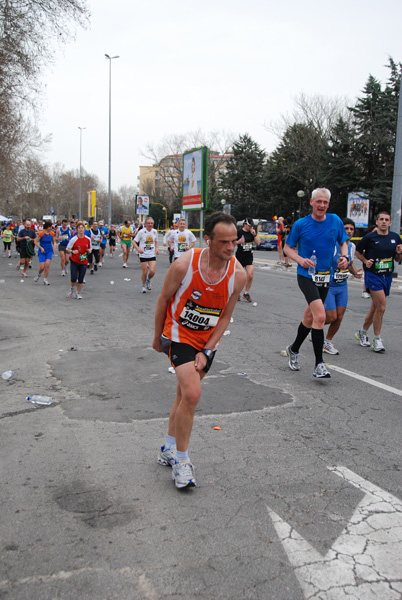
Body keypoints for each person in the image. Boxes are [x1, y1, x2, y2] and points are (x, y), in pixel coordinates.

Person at [152, 212, 246, 489]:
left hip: (207, 341)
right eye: (224, 242)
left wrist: (208, 348)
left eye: (234, 242)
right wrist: (157, 336)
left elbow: (226, 316)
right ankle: (181, 461)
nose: (231, 248)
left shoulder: (237, 275)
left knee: (183, 396)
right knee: (192, 394)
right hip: (178, 334)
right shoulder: (184, 265)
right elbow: (163, 298)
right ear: (208, 240)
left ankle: (168, 447)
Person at [283, 188, 349, 378]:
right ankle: (319, 364)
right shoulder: (301, 224)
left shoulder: (335, 220)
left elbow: (343, 241)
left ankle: (293, 349)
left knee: (310, 317)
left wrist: (344, 256)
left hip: (325, 276)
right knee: (320, 316)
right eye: (318, 201)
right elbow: (287, 248)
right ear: (311, 202)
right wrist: (300, 260)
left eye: (325, 202)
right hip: (306, 275)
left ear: (328, 204)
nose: (322, 205)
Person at [354, 211, 402, 352]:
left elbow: (397, 260)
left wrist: (399, 253)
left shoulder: (395, 237)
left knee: (375, 307)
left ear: (390, 223)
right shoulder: (370, 237)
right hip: (373, 275)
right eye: (381, 219)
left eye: (386, 219)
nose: (383, 221)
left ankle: (362, 332)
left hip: (387, 276)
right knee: (381, 307)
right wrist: (365, 261)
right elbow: (357, 252)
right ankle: (377, 339)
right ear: (377, 222)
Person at [322, 218, 362, 355]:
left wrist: (355, 272)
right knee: (331, 316)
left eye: (351, 229)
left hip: (342, 286)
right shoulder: (333, 245)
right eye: (346, 228)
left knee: (339, 317)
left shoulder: (352, 247)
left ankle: (327, 342)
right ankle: (315, 328)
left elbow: (349, 264)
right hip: (330, 286)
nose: (349, 231)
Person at [235, 217, 260, 302]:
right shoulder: (239, 232)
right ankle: (236, 292)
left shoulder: (251, 232)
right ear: (245, 224)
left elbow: (258, 243)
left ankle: (246, 293)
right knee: (239, 277)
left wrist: (254, 235)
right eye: (249, 225)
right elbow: (232, 242)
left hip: (249, 256)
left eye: (252, 226)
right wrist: (238, 242)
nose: (251, 227)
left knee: (250, 275)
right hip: (240, 257)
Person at [65, 221, 92, 299]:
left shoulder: (88, 239)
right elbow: (67, 249)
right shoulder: (74, 239)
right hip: (74, 261)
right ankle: (72, 289)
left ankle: (78, 293)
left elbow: (90, 248)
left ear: (84, 229)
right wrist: (73, 251)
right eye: (79, 228)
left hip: (83, 261)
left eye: (82, 228)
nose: (81, 229)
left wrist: (89, 251)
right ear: (76, 230)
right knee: (73, 278)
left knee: (81, 278)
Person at [133, 216, 159, 293]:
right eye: (148, 223)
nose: (150, 224)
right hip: (143, 254)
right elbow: (134, 242)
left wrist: (156, 249)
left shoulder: (155, 231)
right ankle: (143, 286)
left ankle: (148, 280)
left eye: (151, 223)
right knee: (145, 271)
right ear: (145, 224)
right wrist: (138, 249)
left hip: (152, 254)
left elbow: (156, 241)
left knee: (152, 271)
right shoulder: (141, 232)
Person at [33, 221, 55, 285]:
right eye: (50, 227)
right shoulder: (41, 233)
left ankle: (45, 279)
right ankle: (38, 275)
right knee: (42, 267)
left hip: (49, 251)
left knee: (47, 265)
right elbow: (35, 241)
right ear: (47, 227)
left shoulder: (52, 233)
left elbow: (53, 241)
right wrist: (40, 247)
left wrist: (55, 245)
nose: (51, 228)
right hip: (42, 251)